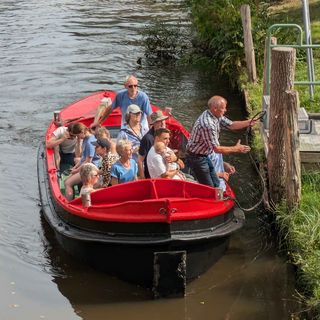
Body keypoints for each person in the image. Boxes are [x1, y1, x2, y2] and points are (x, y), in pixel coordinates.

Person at [186, 95, 256, 187]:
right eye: (223, 108)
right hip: (196, 158)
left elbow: (231, 125)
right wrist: (236, 149)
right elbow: (217, 149)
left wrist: (248, 122)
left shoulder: (214, 115)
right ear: (215, 109)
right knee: (209, 187)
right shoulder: (208, 124)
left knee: (216, 183)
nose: (225, 110)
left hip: (204, 155)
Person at [64, 124, 100, 201]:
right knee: (76, 160)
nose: (77, 137)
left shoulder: (90, 142)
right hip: (86, 165)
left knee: (67, 183)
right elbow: (82, 158)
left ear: (82, 132)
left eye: (77, 135)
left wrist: (76, 171)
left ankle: (69, 203)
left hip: (90, 169)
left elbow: (88, 162)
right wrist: (75, 167)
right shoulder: (85, 139)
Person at [137, 110, 168, 179]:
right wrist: (143, 178)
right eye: (159, 121)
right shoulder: (147, 139)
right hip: (152, 175)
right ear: (154, 124)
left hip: (164, 168)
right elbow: (140, 160)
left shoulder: (164, 135)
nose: (163, 123)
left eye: (163, 120)